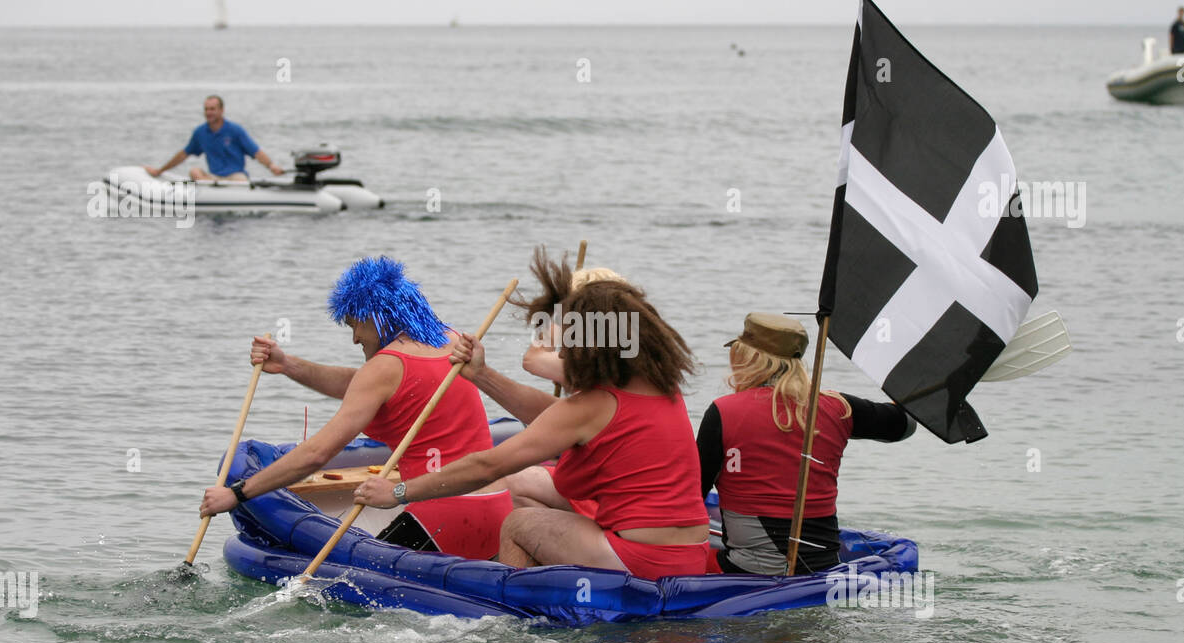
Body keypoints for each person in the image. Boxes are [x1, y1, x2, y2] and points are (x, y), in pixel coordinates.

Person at [353, 248, 711, 580]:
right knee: (524, 484)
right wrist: (481, 375)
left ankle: (513, 616)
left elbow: (486, 467)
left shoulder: (590, 407)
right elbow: (550, 414)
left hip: (646, 560)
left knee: (519, 524)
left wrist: (398, 492)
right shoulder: (660, 387)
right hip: (691, 554)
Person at [199, 256, 512, 560]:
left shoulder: (384, 367)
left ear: (377, 317)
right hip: (495, 506)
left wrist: (237, 493)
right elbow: (364, 385)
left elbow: (316, 454)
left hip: (443, 515)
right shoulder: (451, 340)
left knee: (338, 582)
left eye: (355, 325)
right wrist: (288, 365)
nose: (354, 339)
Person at [697, 313, 915, 576]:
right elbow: (904, 425)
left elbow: (692, 494)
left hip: (749, 570)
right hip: (825, 566)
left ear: (745, 358)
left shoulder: (723, 412)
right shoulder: (839, 407)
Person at [145, 95, 284, 182]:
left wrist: (271, 166)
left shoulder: (235, 130)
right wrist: (160, 170)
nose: (208, 113)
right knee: (194, 171)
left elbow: (256, 152)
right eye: (206, 109)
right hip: (213, 179)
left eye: (212, 109)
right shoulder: (200, 132)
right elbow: (183, 154)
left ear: (221, 110)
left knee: (240, 180)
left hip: (235, 177)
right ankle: (210, 194)